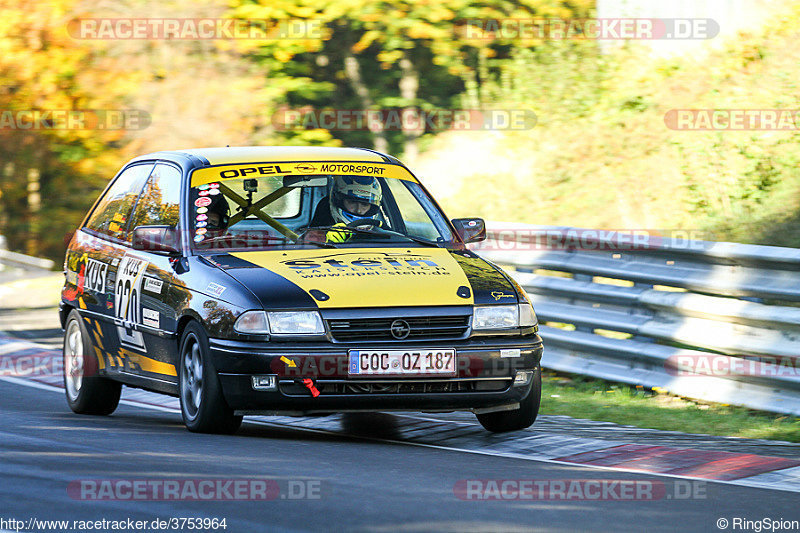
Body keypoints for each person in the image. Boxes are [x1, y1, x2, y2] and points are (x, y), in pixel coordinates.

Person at [309, 176, 383, 243]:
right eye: (352, 202)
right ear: (339, 201)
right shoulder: (318, 229)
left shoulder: (383, 234)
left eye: (365, 204)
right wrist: (324, 239)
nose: (359, 210)